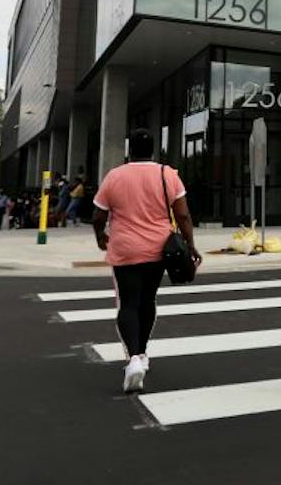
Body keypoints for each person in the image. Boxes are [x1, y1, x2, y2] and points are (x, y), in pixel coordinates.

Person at [91, 128, 200, 394]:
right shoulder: (167, 174)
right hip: (157, 250)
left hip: (125, 249)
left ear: (130, 151)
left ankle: (134, 358)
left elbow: (98, 216)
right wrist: (190, 244)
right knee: (148, 300)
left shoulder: (115, 176)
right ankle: (143, 354)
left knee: (128, 303)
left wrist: (100, 237)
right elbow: (183, 215)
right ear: (154, 149)